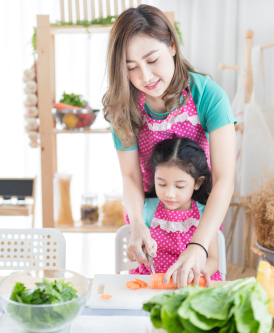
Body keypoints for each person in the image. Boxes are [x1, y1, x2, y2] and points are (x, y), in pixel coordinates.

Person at [103, 4, 236, 287]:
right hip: (148, 213)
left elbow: (225, 179)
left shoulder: (208, 95)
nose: (145, 77)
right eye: (131, 68)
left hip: (199, 213)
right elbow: (129, 176)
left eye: (152, 60)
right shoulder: (124, 107)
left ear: (172, 46)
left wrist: (199, 245)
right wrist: (138, 224)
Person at [125, 138, 222, 285]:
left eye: (180, 186)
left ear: (197, 183)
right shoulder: (146, 210)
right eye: (162, 184)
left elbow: (213, 260)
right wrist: (137, 252)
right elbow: (130, 254)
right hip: (151, 283)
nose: (169, 194)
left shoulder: (206, 214)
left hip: (191, 284)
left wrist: (190, 272)